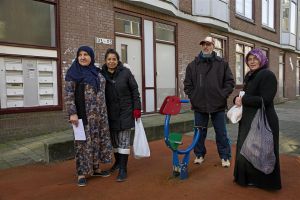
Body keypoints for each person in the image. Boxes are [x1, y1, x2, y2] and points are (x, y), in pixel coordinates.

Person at [233, 48, 281, 190]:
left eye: (255, 58)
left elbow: (265, 99)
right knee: (247, 150)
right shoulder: (250, 75)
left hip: (263, 120)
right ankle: (247, 179)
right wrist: (236, 99)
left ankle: (264, 182)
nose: (252, 61)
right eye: (249, 59)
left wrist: (244, 99)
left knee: (264, 151)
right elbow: (244, 95)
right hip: (249, 119)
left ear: (262, 59)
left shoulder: (267, 75)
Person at [64, 46, 113, 187]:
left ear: (91, 56)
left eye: (86, 54)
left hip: (99, 115)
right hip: (82, 115)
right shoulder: (73, 73)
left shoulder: (97, 72)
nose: (83, 57)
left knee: (97, 141)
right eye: (80, 54)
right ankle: (81, 173)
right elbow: (68, 95)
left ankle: (96, 168)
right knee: (82, 143)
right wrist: (72, 112)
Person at [183, 36, 235, 167]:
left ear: (213, 46)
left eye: (208, 44)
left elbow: (229, 83)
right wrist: (194, 96)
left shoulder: (222, 64)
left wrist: (222, 95)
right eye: (203, 44)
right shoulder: (192, 66)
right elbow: (187, 85)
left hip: (218, 105)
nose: (206, 47)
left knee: (221, 132)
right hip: (199, 105)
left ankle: (225, 156)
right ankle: (199, 155)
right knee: (199, 132)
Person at [101, 48, 141, 182]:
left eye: (114, 59)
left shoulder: (126, 72)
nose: (111, 61)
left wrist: (137, 109)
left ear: (118, 61)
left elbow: (135, 91)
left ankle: (123, 169)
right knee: (114, 142)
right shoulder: (101, 74)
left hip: (126, 112)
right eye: (109, 59)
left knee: (123, 142)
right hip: (110, 114)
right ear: (105, 61)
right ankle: (117, 163)